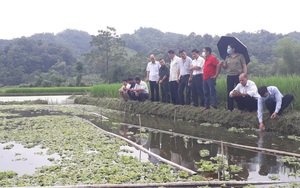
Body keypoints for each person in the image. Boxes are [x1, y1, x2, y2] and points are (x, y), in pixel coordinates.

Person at [221, 43, 247, 111]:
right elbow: (225, 67)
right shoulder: (227, 57)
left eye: (229, 48)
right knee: (230, 91)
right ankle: (230, 108)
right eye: (227, 48)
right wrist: (222, 65)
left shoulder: (240, 56)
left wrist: (244, 74)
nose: (228, 49)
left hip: (238, 75)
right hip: (230, 75)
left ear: (233, 49)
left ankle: (241, 107)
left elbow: (244, 65)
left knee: (239, 91)